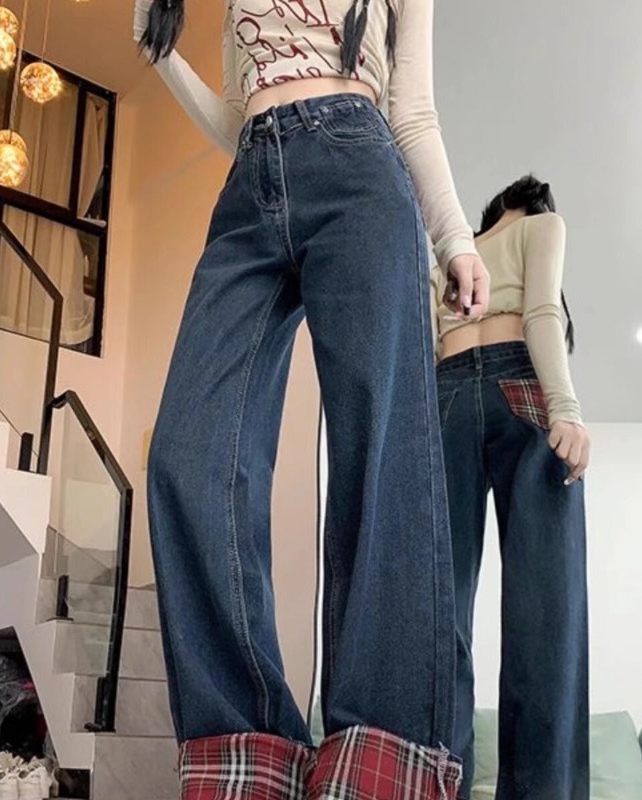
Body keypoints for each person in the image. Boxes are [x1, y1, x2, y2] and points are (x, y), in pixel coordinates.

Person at [135, 1, 491, 798]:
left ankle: (382, 752)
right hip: (248, 191)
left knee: (381, 446)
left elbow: (412, 109)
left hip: (359, 168)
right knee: (186, 457)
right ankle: (247, 750)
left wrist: (455, 239)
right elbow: (237, 120)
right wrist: (161, 57)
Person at [431, 175, 590, 800]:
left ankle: (434, 785)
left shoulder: (448, 257)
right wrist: (566, 409)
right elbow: (543, 311)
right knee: (545, 612)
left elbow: (422, 347)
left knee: (439, 616)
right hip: (521, 385)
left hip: (443, 393)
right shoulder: (542, 226)